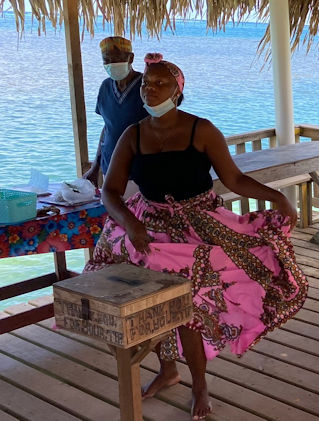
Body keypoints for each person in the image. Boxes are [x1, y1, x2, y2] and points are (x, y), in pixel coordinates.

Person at [85, 53, 307, 420]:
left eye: (160, 84)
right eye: (146, 84)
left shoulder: (200, 130)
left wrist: (279, 197)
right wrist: (131, 224)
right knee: (144, 303)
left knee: (189, 305)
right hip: (148, 225)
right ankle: (168, 369)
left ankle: (199, 383)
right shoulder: (133, 134)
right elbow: (111, 191)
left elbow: (233, 179)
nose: (150, 89)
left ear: (178, 91)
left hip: (197, 224)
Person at [83, 37, 149, 188]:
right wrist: (95, 167)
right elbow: (107, 128)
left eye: (118, 58)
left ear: (130, 58)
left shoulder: (146, 86)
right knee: (112, 209)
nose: (112, 63)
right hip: (110, 166)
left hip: (141, 170)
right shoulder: (105, 87)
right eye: (107, 60)